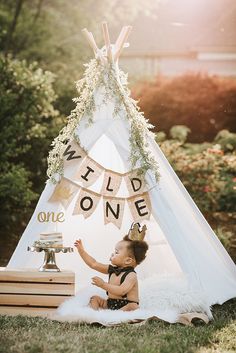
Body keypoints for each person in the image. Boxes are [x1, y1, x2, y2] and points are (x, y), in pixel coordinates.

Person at [74, 223, 148, 311]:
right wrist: (81, 251)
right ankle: (93, 315)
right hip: (111, 303)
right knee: (94, 299)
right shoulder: (112, 270)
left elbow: (122, 291)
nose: (113, 253)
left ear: (128, 260)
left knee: (133, 307)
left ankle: (114, 317)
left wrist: (103, 284)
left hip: (126, 305)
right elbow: (93, 264)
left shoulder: (131, 275)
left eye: (116, 252)